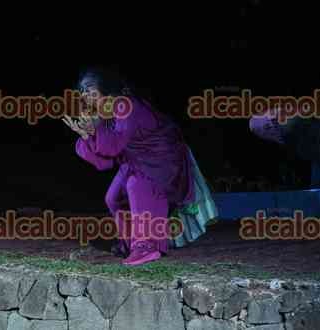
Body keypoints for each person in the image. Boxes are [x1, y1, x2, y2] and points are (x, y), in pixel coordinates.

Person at [63, 67, 218, 265]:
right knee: (114, 197)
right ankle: (130, 244)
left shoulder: (125, 105)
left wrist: (96, 129)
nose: (85, 95)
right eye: (82, 91)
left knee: (137, 185)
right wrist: (87, 136)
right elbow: (105, 162)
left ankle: (147, 246)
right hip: (137, 161)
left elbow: (113, 146)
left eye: (89, 88)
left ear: (105, 87)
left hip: (162, 163)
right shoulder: (106, 113)